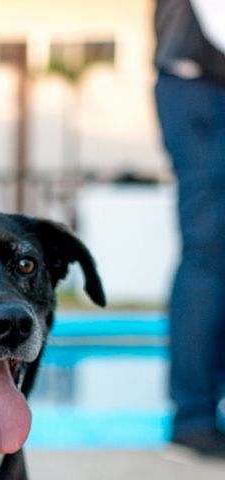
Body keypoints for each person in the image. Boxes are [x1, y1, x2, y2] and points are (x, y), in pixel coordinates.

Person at [154, 0, 225, 458]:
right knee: (210, 252)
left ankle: (196, 416)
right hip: (202, 88)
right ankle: (194, 418)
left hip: (203, 87)